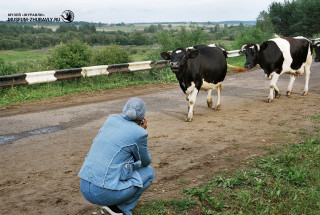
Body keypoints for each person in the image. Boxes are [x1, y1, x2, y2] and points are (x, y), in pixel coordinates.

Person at [78, 97, 155, 215]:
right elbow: (146, 162)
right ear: (143, 117)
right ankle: (120, 210)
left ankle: (111, 207)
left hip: (84, 185)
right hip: (101, 193)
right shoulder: (140, 133)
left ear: (124, 110)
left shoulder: (111, 119)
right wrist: (141, 129)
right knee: (149, 172)